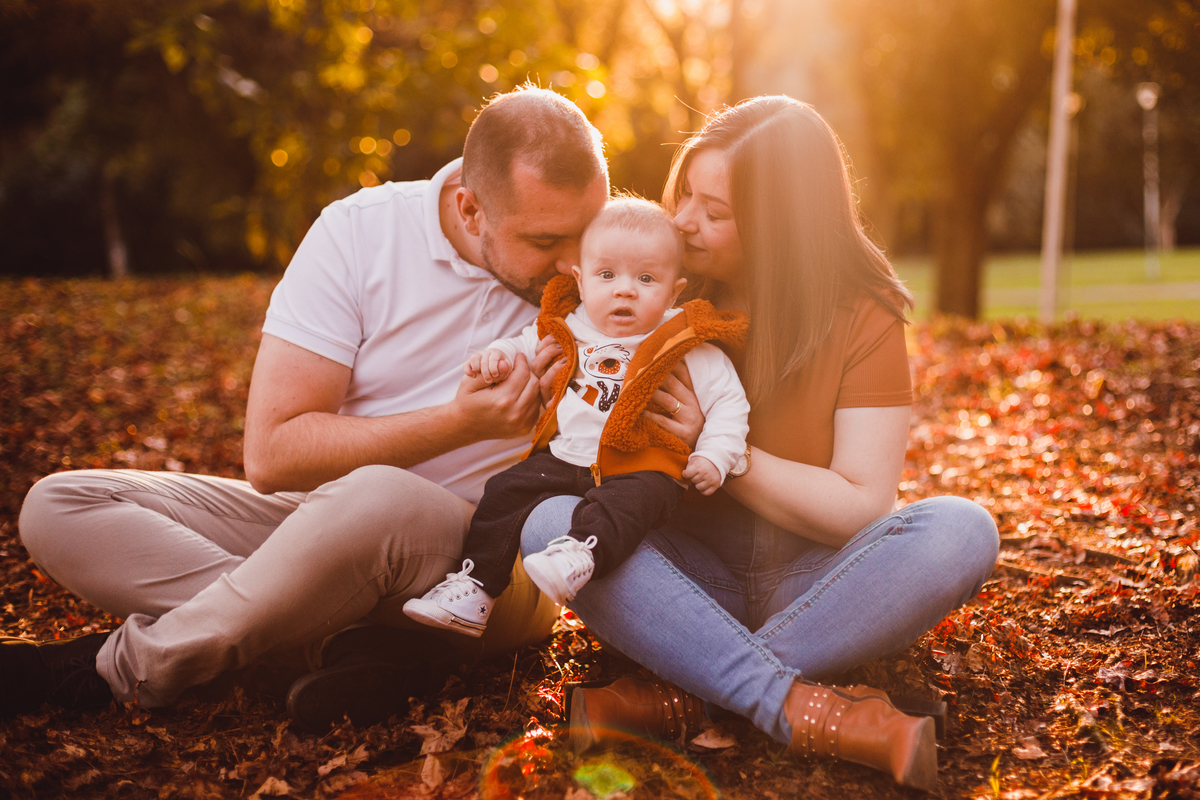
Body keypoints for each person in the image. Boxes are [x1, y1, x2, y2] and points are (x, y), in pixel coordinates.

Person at [6, 86, 610, 731]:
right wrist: (457, 425)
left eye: (588, 232)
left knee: (379, 496)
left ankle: (117, 668)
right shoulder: (361, 232)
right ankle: (349, 646)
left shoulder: (616, 277)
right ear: (470, 208)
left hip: (487, 566)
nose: (579, 267)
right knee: (58, 506)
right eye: (548, 240)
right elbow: (273, 455)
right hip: (322, 526)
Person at [521, 96, 1000, 791]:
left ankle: (684, 693)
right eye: (685, 193)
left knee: (962, 528)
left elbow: (862, 506)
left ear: (784, 227)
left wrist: (723, 454)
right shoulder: (653, 292)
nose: (683, 220)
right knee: (546, 522)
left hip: (819, 583)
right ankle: (796, 705)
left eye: (715, 212)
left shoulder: (863, 317)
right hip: (680, 579)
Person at [403, 197, 750, 637]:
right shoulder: (568, 324)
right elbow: (522, 345)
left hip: (641, 465)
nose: (625, 289)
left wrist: (716, 455)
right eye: (607, 275)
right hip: (567, 458)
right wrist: (496, 357)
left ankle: (581, 553)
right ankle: (475, 588)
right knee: (505, 491)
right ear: (581, 283)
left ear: (674, 291)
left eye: (646, 278)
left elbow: (729, 403)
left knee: (631, 504)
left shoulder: (684, 341)